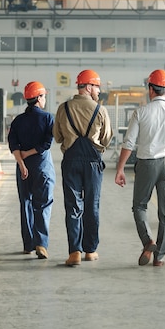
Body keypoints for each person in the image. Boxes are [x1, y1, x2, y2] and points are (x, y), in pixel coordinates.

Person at [114, 69, 165, 267]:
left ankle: (148, 242)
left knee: (139, 206)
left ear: (150, 89)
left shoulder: (141, 112)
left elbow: (129, 143)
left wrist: (120, 169)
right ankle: (159, 257)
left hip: (147, 164)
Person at [53, 69, 113, 266]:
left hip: (70, 161)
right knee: (92, 205)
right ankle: (90, 250)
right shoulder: (100, 110)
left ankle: (74, 252)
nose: (98, 90)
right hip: (93, 162)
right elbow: (106, 139)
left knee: (73, 206)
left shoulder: (63, 108)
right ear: (88, 87)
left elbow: (58, 137)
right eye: (96, 86)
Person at [7, 81, 55, 259]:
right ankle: (41, 244)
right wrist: (29, 153)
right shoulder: (48, 118)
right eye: (43, 96)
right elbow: (47, 144)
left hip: (23, 169)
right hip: (42, 167)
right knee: (42, 204)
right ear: (39, 97)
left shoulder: (18, 121)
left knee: (26, 203)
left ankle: (28, 244)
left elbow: (13, 144)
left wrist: (21, 162)